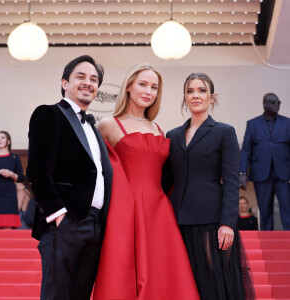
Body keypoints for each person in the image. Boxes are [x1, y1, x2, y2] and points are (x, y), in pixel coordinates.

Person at [93, 63, 200, 300]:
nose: (148, 91)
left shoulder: (160, 129)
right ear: (129, 86)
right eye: (143, 84)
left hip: (158, 209)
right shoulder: (108, 124)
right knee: (124, 272)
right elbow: (93, 172)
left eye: (154, 87)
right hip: (124, 209)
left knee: (164, 272)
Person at [26, 55, 113, 300]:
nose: (88, 83)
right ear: (65, 82)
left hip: (95, 225)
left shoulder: (93, 129)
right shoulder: (48, 114)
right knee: (57, 294)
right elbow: (37, 172)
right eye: (81, 77)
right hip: (65, 223)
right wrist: (58, 216)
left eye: (94, 79)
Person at [162, 73, 255, 300]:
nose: (196, 95)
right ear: (184, 97)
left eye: (201, 90)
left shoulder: (224, 132)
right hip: (179, 220)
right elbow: (165, 181)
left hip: (212, 222)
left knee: (214, 281)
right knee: (188, 282)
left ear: (212, 97)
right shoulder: (172, 135)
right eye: (190, 91)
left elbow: (232, 181)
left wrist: (227, 223)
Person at [240, 93, 290, 231]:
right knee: (265, 211)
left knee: (287, 209)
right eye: (273, 102)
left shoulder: (288, 123)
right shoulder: (253, 124)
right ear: (265, 104)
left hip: (284, 174)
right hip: (261, 174)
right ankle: (268, 241)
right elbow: (246, 150)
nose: (277, 104)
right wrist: (242, 172)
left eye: (278, 102)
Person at [0, 131, 23, 229]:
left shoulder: (14, 158)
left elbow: (20, 177)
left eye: (2, 137)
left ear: (8, 142)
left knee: (8, 229)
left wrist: (11, 174)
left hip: (9, 196)